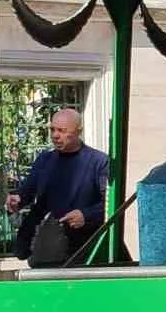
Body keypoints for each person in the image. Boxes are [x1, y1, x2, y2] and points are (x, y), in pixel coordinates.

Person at [6, 108, 109, 261]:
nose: (55, 135)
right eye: (52, 129)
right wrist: (17, 199)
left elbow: (110, 205)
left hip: (83, 247)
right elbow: (28, 190)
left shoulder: (98, 162)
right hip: (44, 245)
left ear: (78, 131)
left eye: (61, 130)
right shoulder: (44, 160)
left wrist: (86, 215)